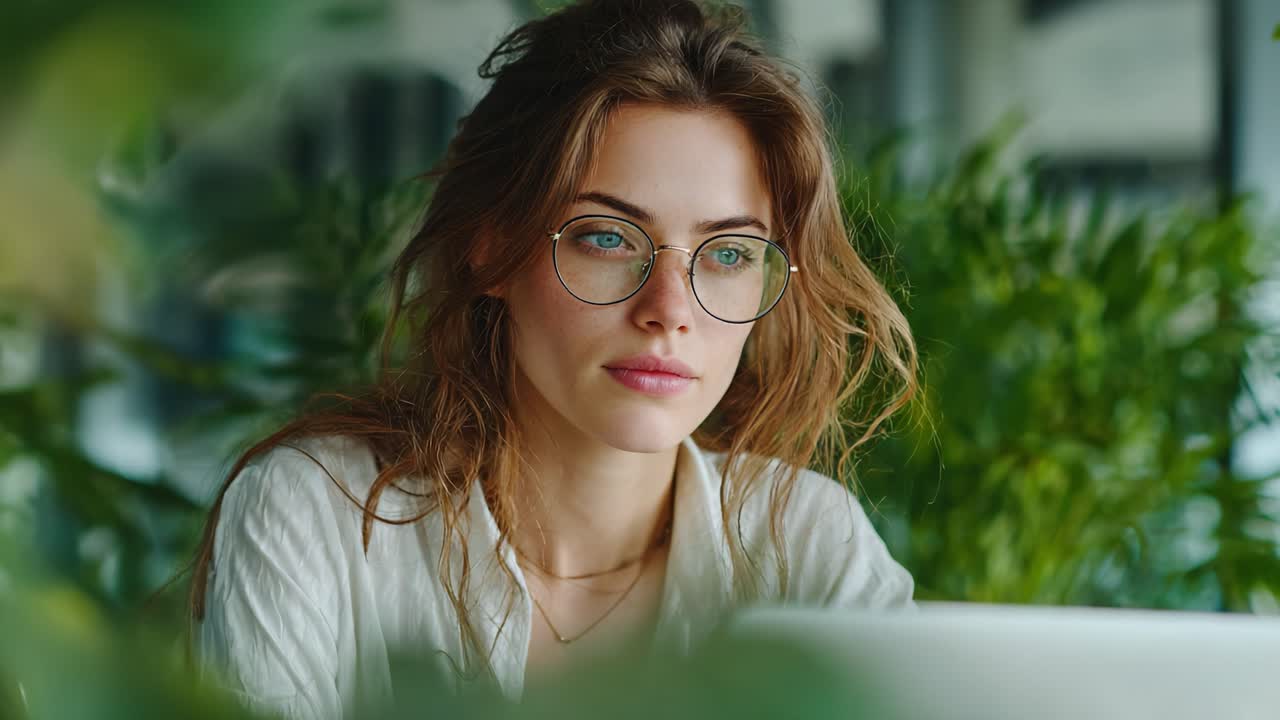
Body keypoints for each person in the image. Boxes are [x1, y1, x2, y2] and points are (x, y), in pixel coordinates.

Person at [188, 0, 919, 717]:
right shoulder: (316, 516)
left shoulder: (809, 542)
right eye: (606, 237)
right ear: (493, 249)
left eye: (727, 253)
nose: (669, 309)